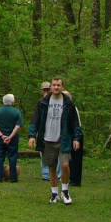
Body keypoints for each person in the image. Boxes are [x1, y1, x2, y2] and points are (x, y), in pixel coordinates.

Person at [29, 76, 82, 205]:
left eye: (59, 85)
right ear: (51, 87)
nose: (56, 87)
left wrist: (76, 138)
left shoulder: (68, 104)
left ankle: (65, 191)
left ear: (62, 87)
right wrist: (32, 135)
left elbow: (75, 123)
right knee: (51, 167)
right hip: (47, 139)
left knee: (64, 165)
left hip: (63, 139)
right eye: (54, 85)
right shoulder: (42, 102)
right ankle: (54, 193)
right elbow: (35, 120)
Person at [0, 93, 23, 183]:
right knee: (12, 157)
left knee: (0, 157)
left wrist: (1, 135)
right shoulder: (16, 112)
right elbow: (17, 126)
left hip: (0, 138)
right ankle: (13, 178)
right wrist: (10, 137)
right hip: (12, 138)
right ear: (12, 102)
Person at [63, 90, 83, 187]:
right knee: (69, 158)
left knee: (76, 158)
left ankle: (75, 180)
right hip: (69, 134)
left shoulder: (72, 108)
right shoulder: (66, 108)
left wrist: (76, 137)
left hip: (76, 134)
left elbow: (77, 125)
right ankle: (70, 178)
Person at [35, 81, 51, 180]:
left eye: (47, 89)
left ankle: (54, 174)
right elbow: (37, 118)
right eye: (44, 90)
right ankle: (46, 174)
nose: (46, 91)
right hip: (42, 131)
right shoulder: (40, 102)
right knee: (43, 151)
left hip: (52, 130)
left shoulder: (55, 101)